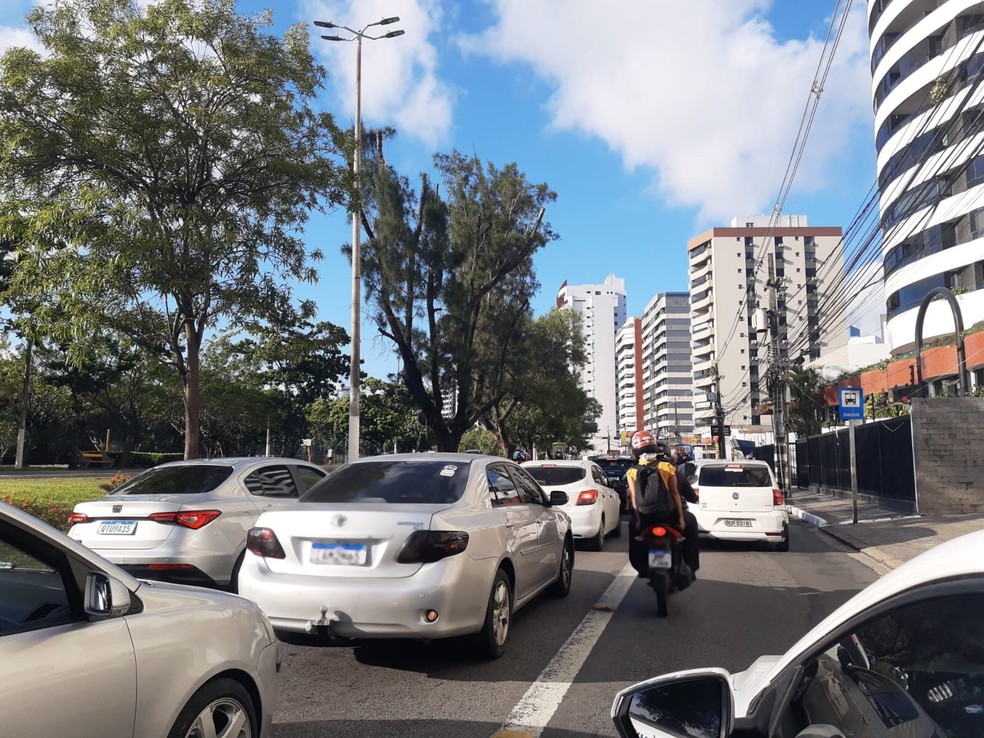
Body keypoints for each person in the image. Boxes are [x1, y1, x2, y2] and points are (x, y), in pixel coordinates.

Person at [626, 431, 685, 578]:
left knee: (633, 531)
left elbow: (634, 497)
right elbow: (675, 494)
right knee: (686, 532)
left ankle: (641, 567)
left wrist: (639, 520)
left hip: (645, 517)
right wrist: (681, 518)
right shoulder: (667, 467)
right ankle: (685, 566)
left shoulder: (632, 471)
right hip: (667, 515)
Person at [670, 447, 701, 575]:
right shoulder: (677, 475)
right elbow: (689, 496)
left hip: (648, 515)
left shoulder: (642, 472)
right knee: (692, 523)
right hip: (673, 515)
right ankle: (691, 566)